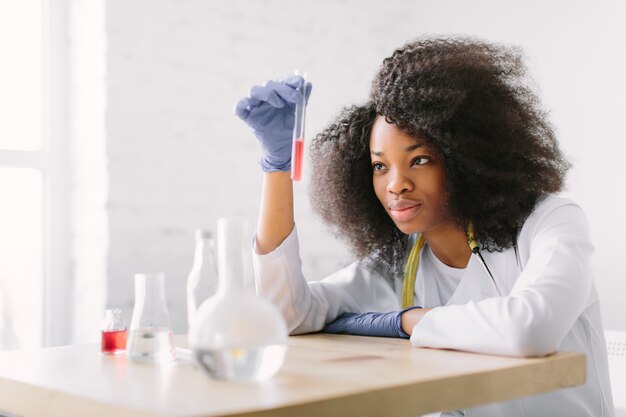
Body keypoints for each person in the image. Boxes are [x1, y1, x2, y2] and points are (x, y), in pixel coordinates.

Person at [235, 37, 614, 416]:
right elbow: (285, 315)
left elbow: (531, 329)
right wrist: (277, 169)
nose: (395, 184)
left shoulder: (550, 220)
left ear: (464, 156)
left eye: (419, 160)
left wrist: (407, 322)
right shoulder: (402, 259)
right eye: (380, 166)